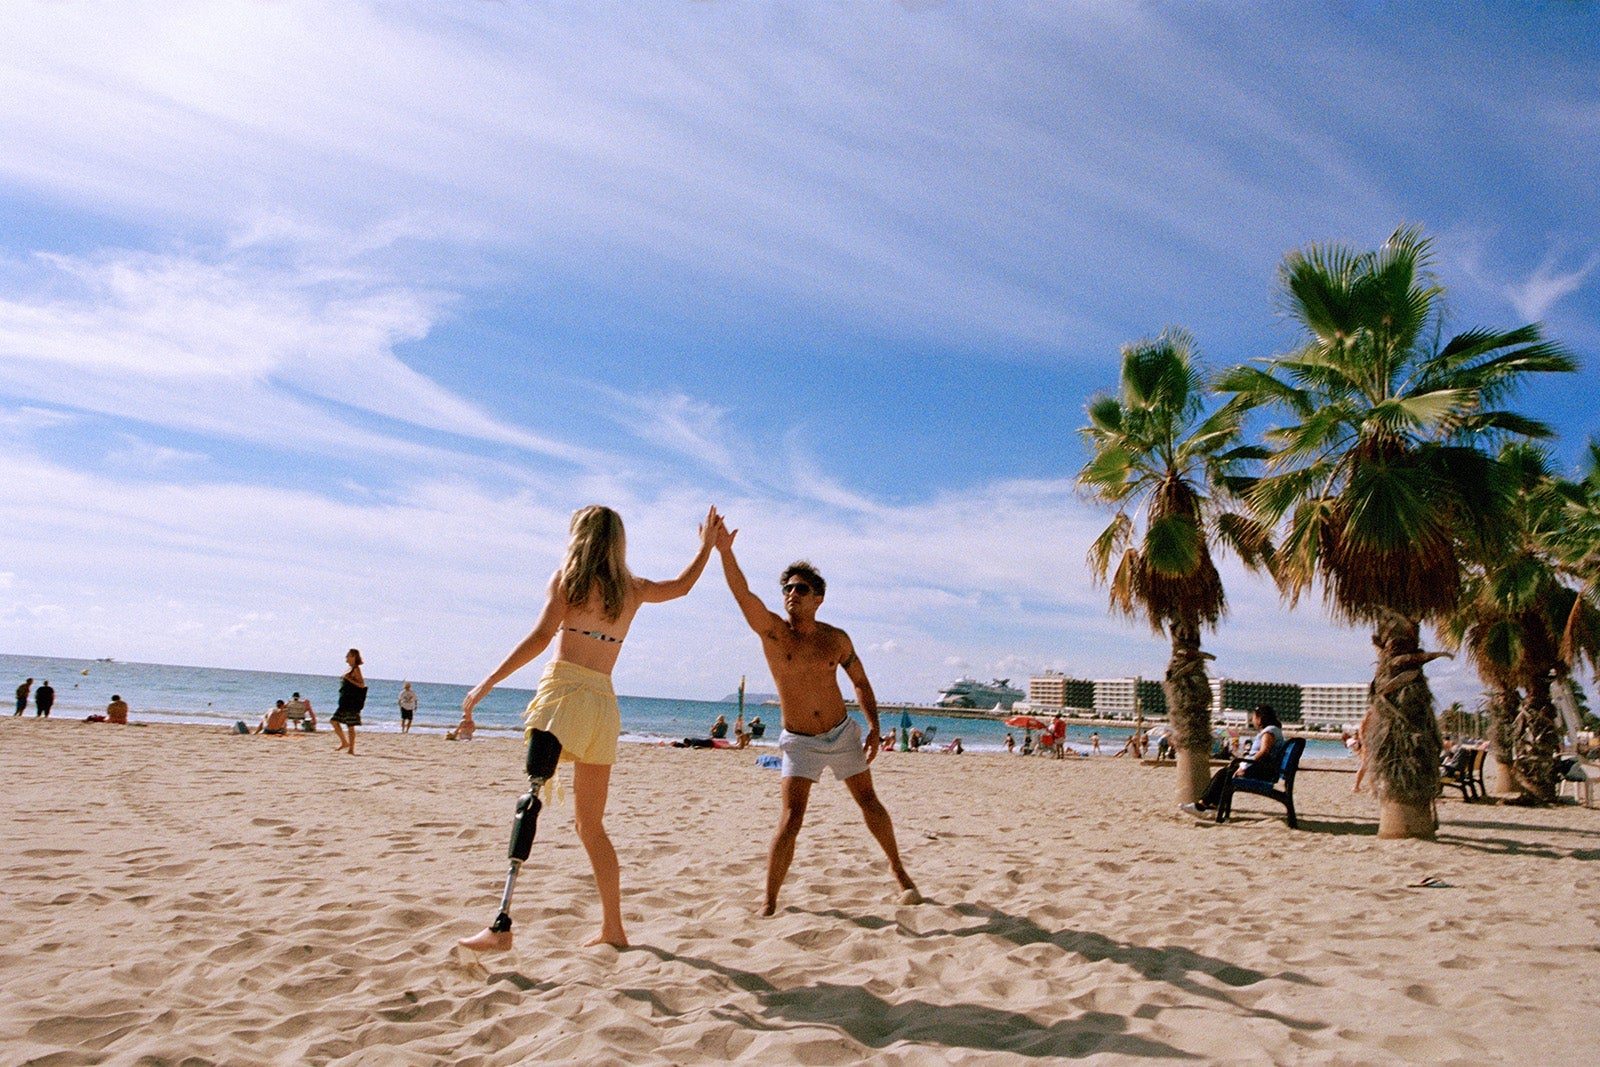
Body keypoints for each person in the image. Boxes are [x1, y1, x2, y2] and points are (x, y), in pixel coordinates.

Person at [457, 504, 721, 952]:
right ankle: (613, 928)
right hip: (601, 705)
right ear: (618, 541)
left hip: (561, 698)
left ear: (578, 536)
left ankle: (501, 925)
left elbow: (541, 638)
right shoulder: (631, 590)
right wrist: (706, 548)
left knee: (531, 800)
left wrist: (487, 683)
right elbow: (682, 587)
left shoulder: (569, 581)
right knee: (590, 826)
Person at [714, 529, 920, 916]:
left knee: (869, 803)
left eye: (802, 589)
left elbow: (860, 682)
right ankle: (770, 900)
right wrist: (725, 552)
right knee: (791, 819)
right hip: (799, 741)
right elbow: (743, 595)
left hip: (841, 733)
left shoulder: (836, 639)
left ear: (819, 598)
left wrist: (874, 728)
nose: (792, 593)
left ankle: (898, 870)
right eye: (788, 588)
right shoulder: (774, 633)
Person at [1182, 705, 1284, 820]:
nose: (1252, 720)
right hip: (1262, 769)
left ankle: (1201, 806)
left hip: (1262, 772)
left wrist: (1244, 767)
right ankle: (1210, 805)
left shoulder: (1269, 732)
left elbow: (1264, 752)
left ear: (1260, 719)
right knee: (1224, 772)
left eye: (1253, 717)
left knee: (1223, 775)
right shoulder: (1273, 730)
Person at [330, 650, 366, 754]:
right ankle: (344, 742)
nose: (346, 657)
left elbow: (361, 685)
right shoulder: (349, 669)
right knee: (334, 721)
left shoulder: (356, 669)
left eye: (348, 656)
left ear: (353, 656)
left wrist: (349, 679)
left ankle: (351, 749)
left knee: (350, 725)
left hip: (352, 702)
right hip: (345, 701)